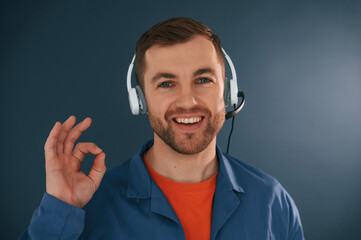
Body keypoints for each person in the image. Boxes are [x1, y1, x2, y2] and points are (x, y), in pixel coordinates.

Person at [20, 17, 304, 240]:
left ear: (228, 93)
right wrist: (59, 208)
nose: (188, 101)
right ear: (140, 100)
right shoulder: (85, 206)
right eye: (166, 83)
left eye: (203, 79)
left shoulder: (272, 201)